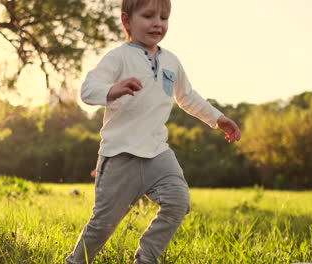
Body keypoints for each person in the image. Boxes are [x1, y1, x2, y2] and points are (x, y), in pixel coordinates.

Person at [66, 0, 241, 263]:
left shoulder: (171, 61)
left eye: (164, 17)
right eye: (148, 16)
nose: (157, 23)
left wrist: (218, 119)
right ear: (127, 20)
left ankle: (146, 258)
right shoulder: (119, 57)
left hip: (158, 153)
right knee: (103, 225)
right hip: (120, 155)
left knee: (178, 202)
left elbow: (188, 97)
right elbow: (88, 89)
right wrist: (111, 90)